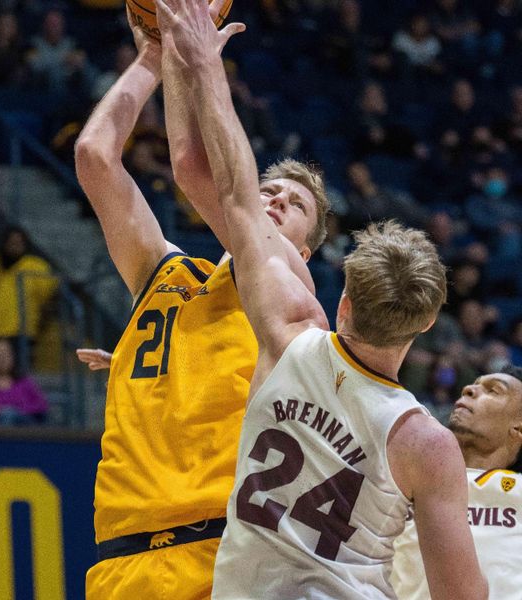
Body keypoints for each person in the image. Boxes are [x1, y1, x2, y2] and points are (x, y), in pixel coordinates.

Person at [154, 0, 486, 598]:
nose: (274, 205)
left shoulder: (290, 333)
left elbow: (229, 189)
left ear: (344, 301)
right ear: (429, 321)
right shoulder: (426, 443)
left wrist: (202, 63)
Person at [75, 9, 329, 600]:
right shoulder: (163, 272)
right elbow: (94, 156)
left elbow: (194, 167)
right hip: (121, 555)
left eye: (293, 206)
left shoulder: (287, 286)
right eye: (267, 189)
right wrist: (150, 60)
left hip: (222, 547)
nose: (272, 202)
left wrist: (193, 56)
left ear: (306, 251)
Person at [392, 365, 522, 599]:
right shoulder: (402, 481)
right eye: (474, 384)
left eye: (493, 390)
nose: (468, 389)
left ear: (518, 427)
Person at [0, 226, 58, 344]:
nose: (14, 246)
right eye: (11, 242)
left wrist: (42, 323)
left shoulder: (33, 265)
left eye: (18, 243)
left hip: (20, 331)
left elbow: (51, 293)